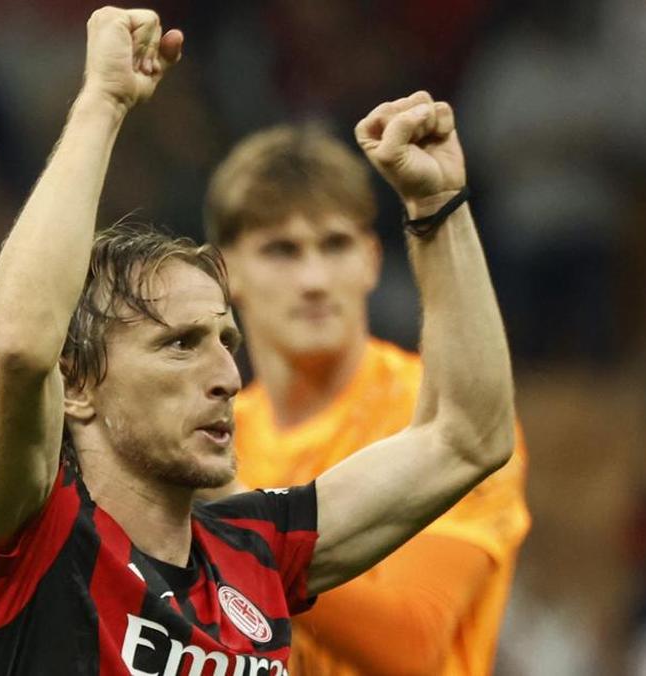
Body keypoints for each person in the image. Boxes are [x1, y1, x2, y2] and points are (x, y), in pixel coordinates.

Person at [0, 7, 516, 675]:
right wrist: (103, 103)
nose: (229, 376)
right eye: (180, 344)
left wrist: (438, 207)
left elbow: (468, 436)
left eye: (226, 341)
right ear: (77, 384)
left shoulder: (256, 548)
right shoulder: (32, 536)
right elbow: (17, 349)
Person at [204, 124, 529, 675]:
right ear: (224, 271)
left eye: (335, 245)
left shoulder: (441, 414)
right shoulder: (214, 430)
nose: (314, 278)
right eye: (281, 250)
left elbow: (413, 643)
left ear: (372, 259)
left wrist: (237, 525)